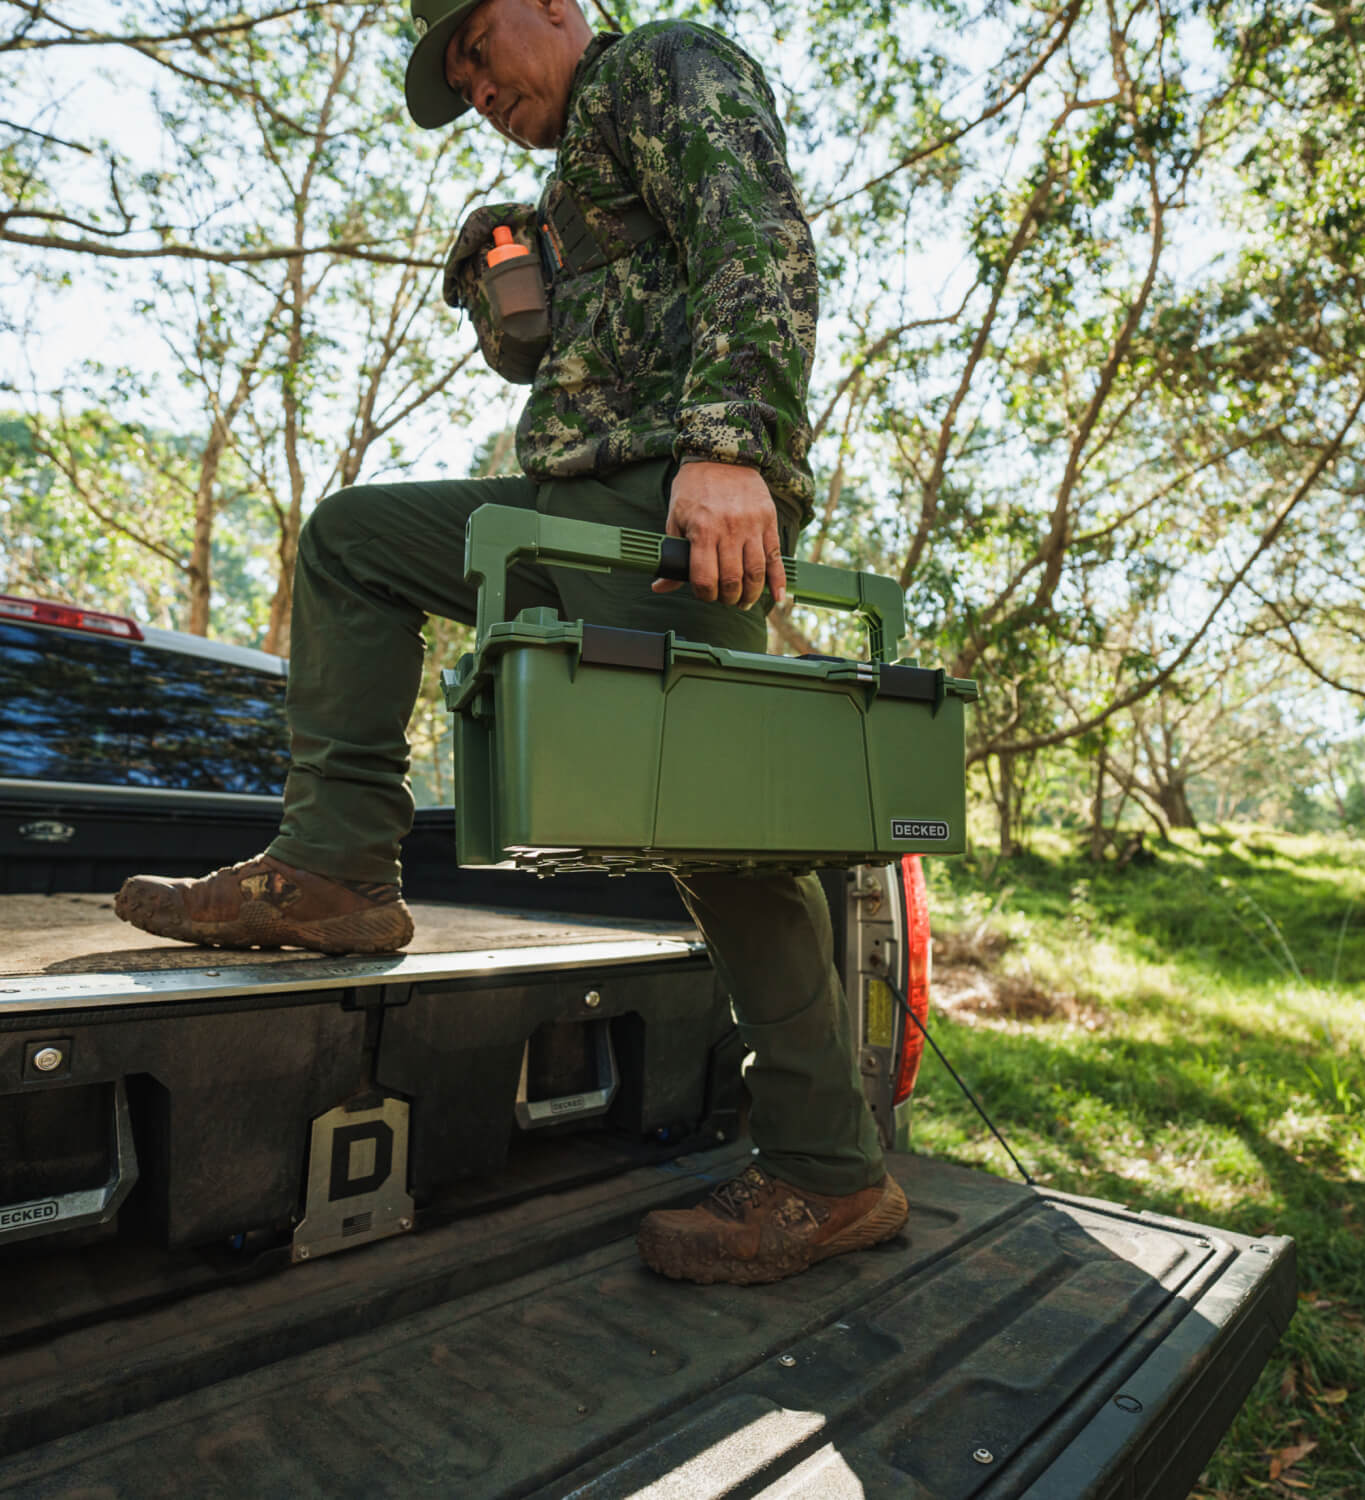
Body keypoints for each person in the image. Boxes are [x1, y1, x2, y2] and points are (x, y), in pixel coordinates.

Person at [113, 0, 907, 1285]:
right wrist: (511, 284)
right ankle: (834, 1173)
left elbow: (757, 232)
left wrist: (728, 450)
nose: (475, 82)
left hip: (655, 511)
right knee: (731, 846)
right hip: (656, 526)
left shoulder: (660, 63)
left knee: (350, 544)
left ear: (552, 2)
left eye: (479, 44)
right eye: (455, 75)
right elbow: (566, 352)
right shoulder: (570, 172)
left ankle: (335, 868)